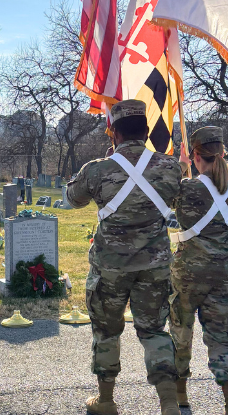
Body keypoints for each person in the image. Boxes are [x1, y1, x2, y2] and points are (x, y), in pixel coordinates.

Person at [66, 99, 183, 415]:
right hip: (155, 266)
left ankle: (105, 401)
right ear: (146, 131)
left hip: (110, 268)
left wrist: (107, 165)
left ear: (112, 132)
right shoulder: (171, 167)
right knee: (155, 332)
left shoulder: (97, 169)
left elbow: (72, 198)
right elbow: (178, 200)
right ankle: (169, 404)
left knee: (106, 331)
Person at [168, 127, 228, 415]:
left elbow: (165, 194)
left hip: (187, 273)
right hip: (224, 273)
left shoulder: (186, 188)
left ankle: (180, 395)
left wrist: (181, 165)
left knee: (180, 332)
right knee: (220, 338)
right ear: (223, 154)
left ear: (196, 156)